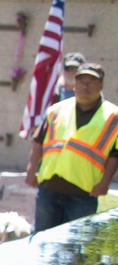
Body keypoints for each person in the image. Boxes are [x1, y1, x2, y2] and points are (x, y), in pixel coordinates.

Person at [25, 63, 118, 232]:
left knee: (76, 248)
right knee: (41, 241)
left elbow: (115, 154)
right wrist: (31, 171)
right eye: (81, 80)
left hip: (83, 192)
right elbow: (38, 140)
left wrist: (105, 182)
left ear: (101, 86)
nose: (85, 85)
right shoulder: (56, 109)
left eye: (91, 81)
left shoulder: (113, 117)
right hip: (49, 189)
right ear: (74, 84)